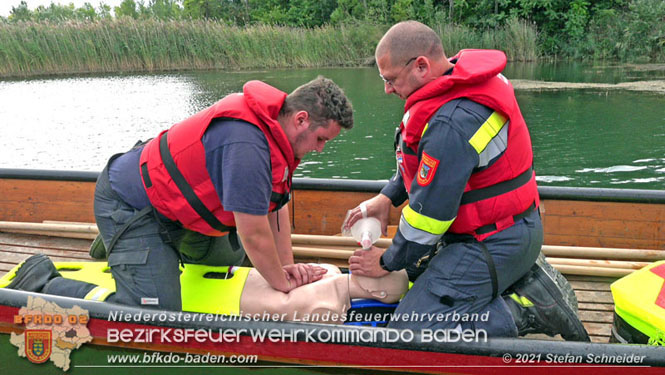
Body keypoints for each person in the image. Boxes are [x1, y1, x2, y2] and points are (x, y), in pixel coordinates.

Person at [8, 76, 354, 311]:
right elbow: (254, 233)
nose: (321, 150)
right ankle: (44, 280)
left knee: (233, 263)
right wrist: (282, 282)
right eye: (322, 139)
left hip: (180, 215)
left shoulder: (279, 138)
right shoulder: (247, 146)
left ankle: (127, 252)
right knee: (152, 317)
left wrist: (287, 268)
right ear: (301, 119)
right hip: (132, 207)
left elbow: (275, 209)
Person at [344, 21, 589, 341]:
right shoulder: (459, 85)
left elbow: (427, 219)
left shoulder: (452, 121)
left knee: (412, 333)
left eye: (390, 80)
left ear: (421, 66)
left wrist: (386, 261)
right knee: (416, 275)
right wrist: (386, 198)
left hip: (495, 242)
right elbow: (433, 168)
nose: (387, 89)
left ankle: (527, 309)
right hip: (501, 231)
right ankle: (520, 277)